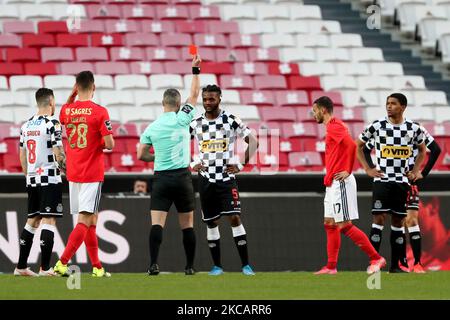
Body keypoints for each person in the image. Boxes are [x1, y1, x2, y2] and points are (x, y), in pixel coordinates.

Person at [137, 55, 201, 276]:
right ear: (178, 103)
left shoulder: (152, 127)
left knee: (157, 224)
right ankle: (190, 267)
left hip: (162, 179)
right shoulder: (183, 118)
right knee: (188, 225)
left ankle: (153, 264)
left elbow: (141, 154)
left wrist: (157, 157)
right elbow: (194, 95)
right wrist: (195, 70)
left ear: (163, 103)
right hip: (183, 178)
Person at [310, 96, 386, 275]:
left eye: (315, 111)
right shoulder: (332, 127)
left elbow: (353, 146)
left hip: (341, 181)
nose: (313, 115)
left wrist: (348, 170)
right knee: (329, 223)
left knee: (344, 225)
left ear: (323, 110)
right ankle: (331, 267)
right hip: (332, 182)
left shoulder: (335, 126)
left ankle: (376, 258)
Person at [190, 84, 259, 276]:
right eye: (205, 99)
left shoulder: (231, 120)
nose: (207, 103)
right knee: (211, 222)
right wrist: (192, 162)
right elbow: (177, 143)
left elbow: (254, 142)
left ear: (220, 98)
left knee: (235, 217)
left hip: (226, 178)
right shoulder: (195, 123)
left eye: (211, 99)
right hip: (205, 179)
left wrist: (241, 165)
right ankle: (217, 267)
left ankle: (246, 265)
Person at [356, 93, 427, 273]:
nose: (389, 106)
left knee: (398, 221)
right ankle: (374, 263)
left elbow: (422, 150)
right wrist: (368, 168)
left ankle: (396, 265)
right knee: (378, 219)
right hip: (382, 180)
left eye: (393, 103)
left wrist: (415, 171)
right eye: (387, 103)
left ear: (402, 107)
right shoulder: (378, 125)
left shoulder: (413, 128)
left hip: (402, 182)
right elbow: (358, 145)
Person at [53, 71, 115, 277]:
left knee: (91, 221)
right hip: (91, 173)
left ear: (76, 87)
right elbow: (110, 144)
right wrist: (98, 141)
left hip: (73, 173)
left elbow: (64, 114)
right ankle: (62, 262)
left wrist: (72, 97)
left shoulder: (67, 110)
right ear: (94, 87)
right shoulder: (100, 112)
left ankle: (97, 267)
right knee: (85, 220)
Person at [363, 125, 441, 273]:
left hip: (408, 181)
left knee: (409, 220)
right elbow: (365, 147)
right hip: (392, 180)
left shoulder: (417, 129)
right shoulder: (386, 130)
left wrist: (422, 173)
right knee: (396, 220)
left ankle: (416, 264)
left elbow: (435, 149)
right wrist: (371, 167)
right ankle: (400, 262)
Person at [14, 88, 66, 277]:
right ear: (51, 101)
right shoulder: (53, 123)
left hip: (32, 178)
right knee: (49, 219)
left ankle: (20, 266)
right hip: (49, 177)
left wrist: (29, 175)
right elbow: (57, 151)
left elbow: (22, 154)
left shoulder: (26, 125)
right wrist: (67, 168)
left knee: (32, 220)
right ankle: (44, 268)